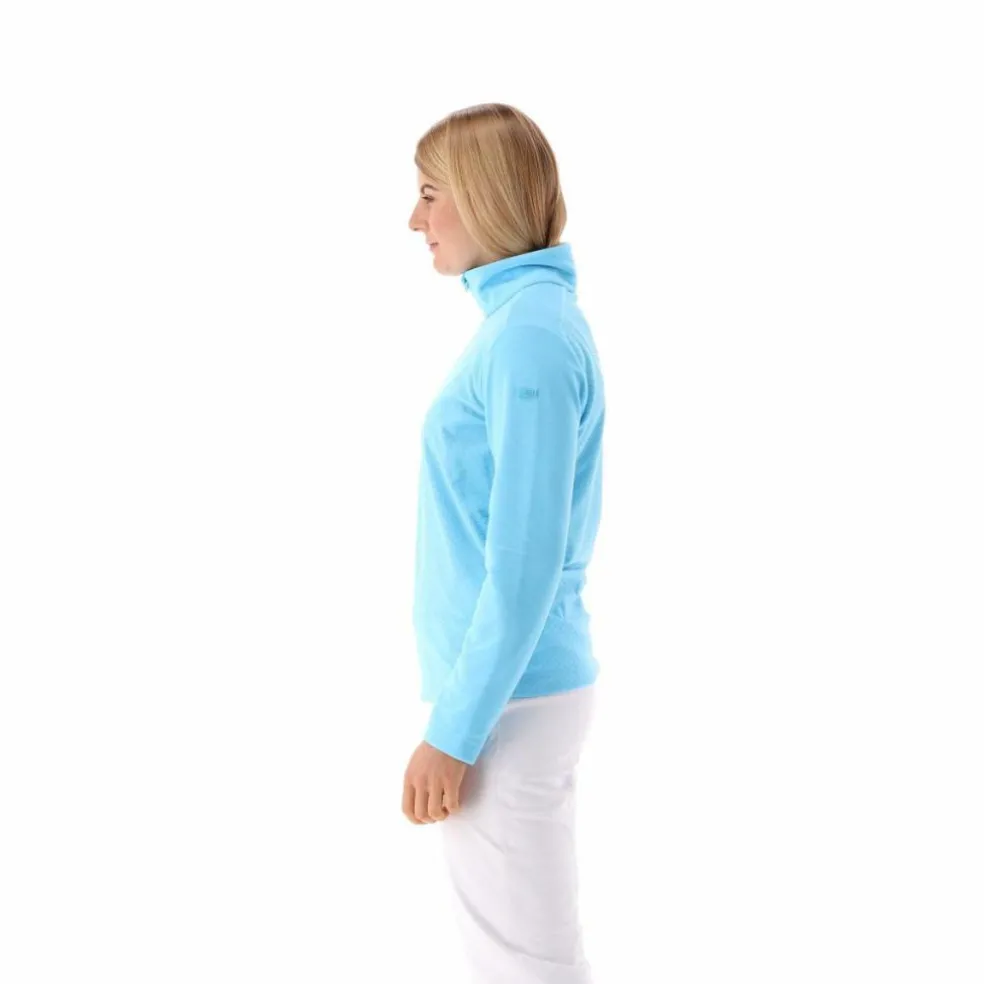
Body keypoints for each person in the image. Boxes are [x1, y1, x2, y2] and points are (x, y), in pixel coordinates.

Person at [403, 102, 605, 984]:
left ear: (483, 196)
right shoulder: (524, 325)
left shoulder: (527, 338)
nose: (414, 220)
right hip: (505, 696)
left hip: (505, 705)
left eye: (430, 194)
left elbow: (523, 567)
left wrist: (454, 733)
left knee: (527, 967)